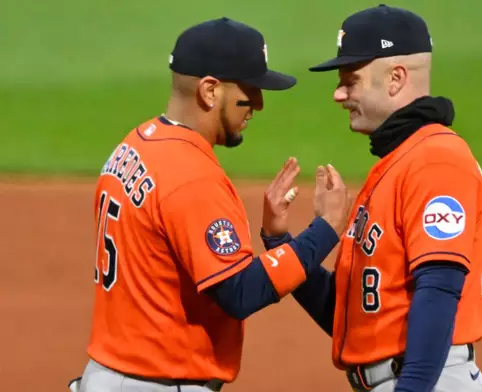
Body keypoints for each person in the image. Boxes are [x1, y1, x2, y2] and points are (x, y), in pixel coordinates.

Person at [68, 17, 350, 392]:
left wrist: (275, 236)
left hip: (112, 373)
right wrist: (324, 230)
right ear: (210, 90)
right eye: (250, 90)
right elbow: (241, 293)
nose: (259, 105)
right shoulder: (192, 174)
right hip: (155, 382)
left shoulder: (134, 144)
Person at [265, 5, 482, 392]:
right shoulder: (398, 162)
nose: (338, 94)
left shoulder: (435, 159)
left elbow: (439, 288)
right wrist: (281, 243)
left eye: (350, 80)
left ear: (395, 78)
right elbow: (353, 316)